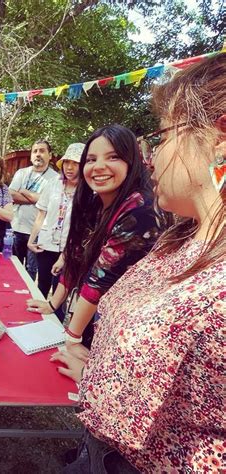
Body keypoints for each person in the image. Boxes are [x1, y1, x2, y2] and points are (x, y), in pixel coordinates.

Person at [52, 52, 225, 474]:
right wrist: (95, 367)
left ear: (219, 139)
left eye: (164, 137)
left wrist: (76, 344)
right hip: (103, 447)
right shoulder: (182, 234)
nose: (154, 157)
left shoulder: (141, 214)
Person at [27, 125, 162, 347]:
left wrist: (71, 338)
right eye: (91, 159)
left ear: (132, 161)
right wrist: (52, 305)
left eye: (113, 157)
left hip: (124, 331)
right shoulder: (93, 202)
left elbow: (100, 279)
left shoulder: (139, 208)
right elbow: (75, 255)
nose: (99, 166)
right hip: (95, 317)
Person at [27, 143, 84, 304]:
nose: (70, 167)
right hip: (46, 245)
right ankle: (36, 323)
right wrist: (32, 240)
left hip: (70, 249)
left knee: (61, 291)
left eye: (75, 163)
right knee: (42, 286)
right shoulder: (52, 184)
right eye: (67, 162)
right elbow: (41, 214)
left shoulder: (88, 191)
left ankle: (56, 324)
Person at [9, 139, 58, 279]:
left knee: (31, 269)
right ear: (31, 155)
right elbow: (11, 195)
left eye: (42, 151)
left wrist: (23, 191)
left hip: (37, 232)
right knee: (13, 266)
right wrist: (37, 198)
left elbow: (48, 203)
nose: (38, 154)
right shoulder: (21, 173)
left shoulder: (55, 178)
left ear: (50, 155)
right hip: (16, 228)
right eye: (35, 151)